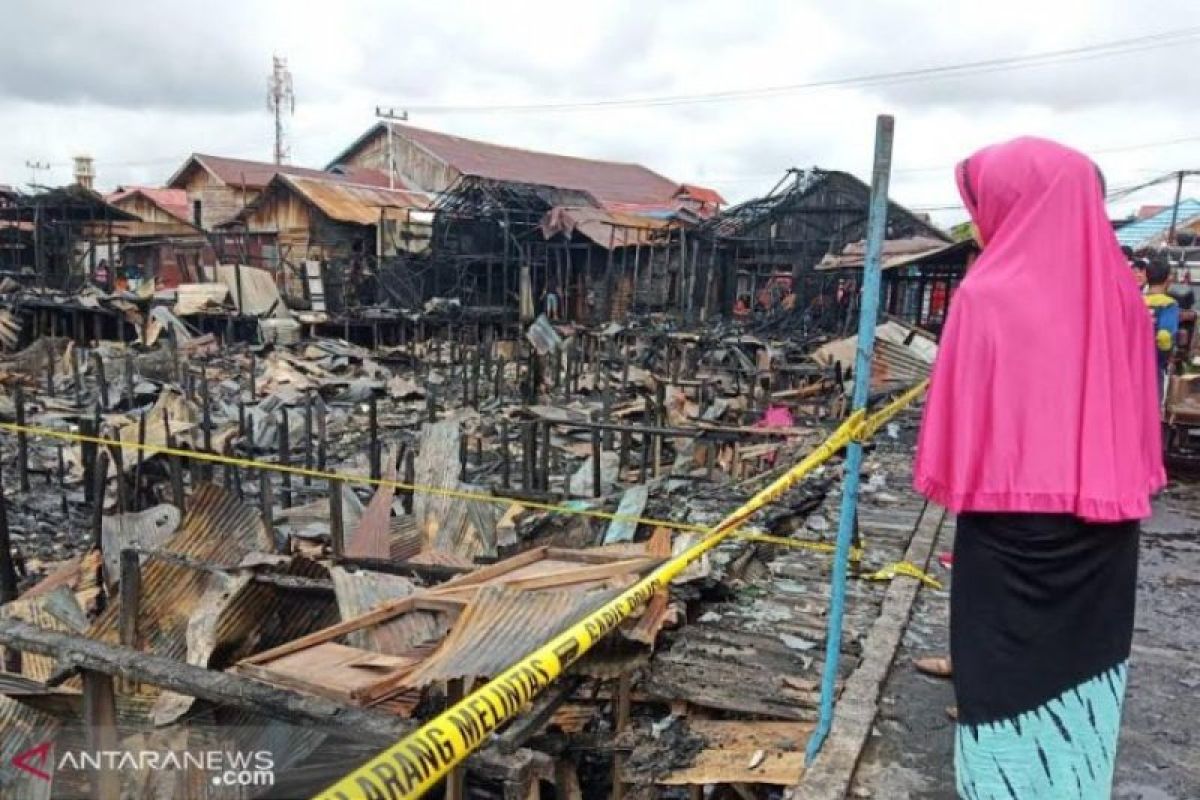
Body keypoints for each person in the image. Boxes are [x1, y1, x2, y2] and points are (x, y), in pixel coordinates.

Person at [914, 137, 1164, 800]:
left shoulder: (985, 297)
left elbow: (958, 431)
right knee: (1083, 692)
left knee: (1001, 694)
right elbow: (1141, 428)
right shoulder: (1124, 303)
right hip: (1104, 537)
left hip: (1007, 533)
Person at [1144, 254, 1179, 398]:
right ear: (1167, 279)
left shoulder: (1138, 300)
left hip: (1134, 361)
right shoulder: (1169, 304)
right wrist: (1165, 356)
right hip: (1154, 365)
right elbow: (1164, 336)